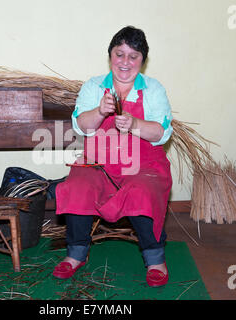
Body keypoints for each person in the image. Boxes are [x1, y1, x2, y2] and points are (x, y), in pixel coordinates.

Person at [53, 26, 173, 287]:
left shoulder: (153, 90)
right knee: (77, 185)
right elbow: (81, 126)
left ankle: (155, 259)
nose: (125, 62)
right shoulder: (94, 86)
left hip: (144, 165)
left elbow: (161, 133)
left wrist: (134, 124)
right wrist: (99, 111)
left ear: (143, 60)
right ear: (110, 55)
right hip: (99, 164)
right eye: (120, 54)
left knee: (142, 191)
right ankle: (76, 254)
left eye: (133, 56)